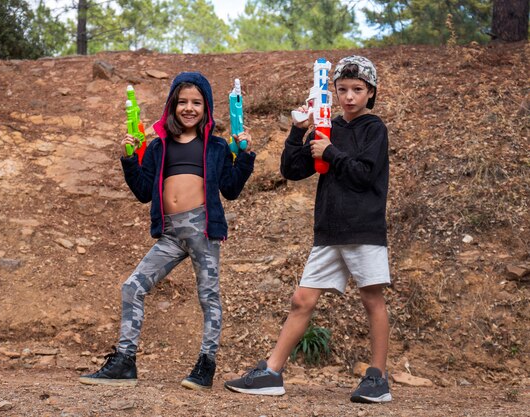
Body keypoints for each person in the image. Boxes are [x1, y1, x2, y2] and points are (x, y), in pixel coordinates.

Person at [224, 55, 392, 403]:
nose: (349, 97)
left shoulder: (374, 129)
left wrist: (330, 152)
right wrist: (300, 129)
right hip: (328, 231)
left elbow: (365, 175)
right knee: (302, 299)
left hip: (362, 229)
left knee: (371, 298)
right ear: (333, 91)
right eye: (342, 89)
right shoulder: (328, 124)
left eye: (357, 90)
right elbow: (293, 169)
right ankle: (271, 372)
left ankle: (377, 378)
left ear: (370, 93)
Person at [79, 72, 255, 391]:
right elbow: (145, 191)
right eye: (182, 102)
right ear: (172, 106)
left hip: (203, 228)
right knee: (132, 287)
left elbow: (230, 188)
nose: (189, 108)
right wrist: (129, 159)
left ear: (207, 107)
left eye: (196, 102)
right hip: (171, 234)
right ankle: (124, 362)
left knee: (208, 296)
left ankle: (206, 365)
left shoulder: (215, 146)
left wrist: (244, 155)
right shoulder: (160, 147)